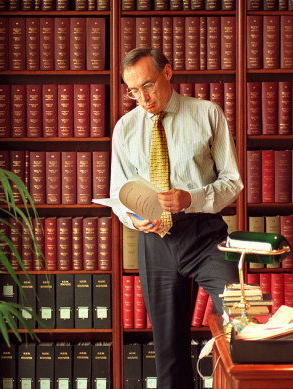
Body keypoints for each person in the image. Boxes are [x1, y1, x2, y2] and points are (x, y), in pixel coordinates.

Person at [110, 46, 243, 389]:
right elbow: (118, 193)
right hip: (155, 241)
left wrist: (192, 198)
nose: (143, 97)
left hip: (205, 235)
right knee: (168, 352)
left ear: (167, 73)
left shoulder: (207, 114)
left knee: (239, 314)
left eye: (149, 85)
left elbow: (232, 183)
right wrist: (133, 219)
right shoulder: (125, 129)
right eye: (133, 90)